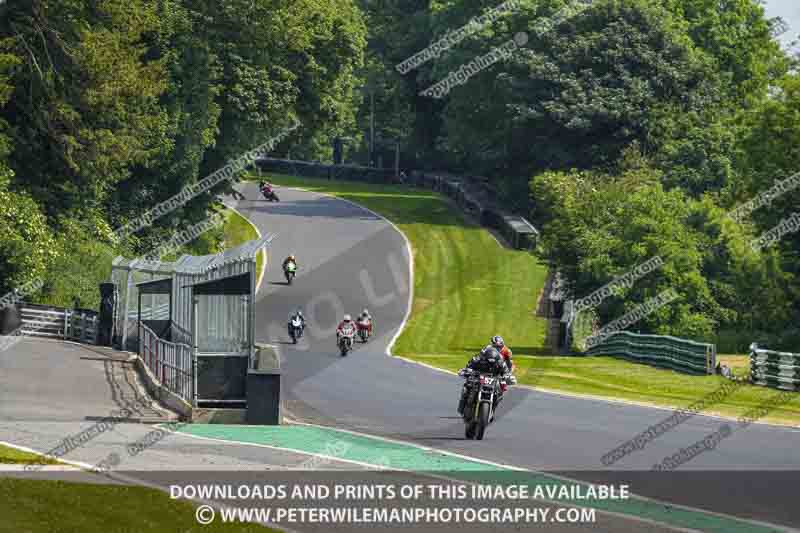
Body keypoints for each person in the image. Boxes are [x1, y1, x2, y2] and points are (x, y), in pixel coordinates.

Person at [457, 346, 509, 416]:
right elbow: (468, 366)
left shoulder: (500, 361)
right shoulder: (478, 358)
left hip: (493, 381)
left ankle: (492, 410)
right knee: (467, 386)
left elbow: (506, 371)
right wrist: (466, 371)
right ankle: (463, 406)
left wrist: (506, 377)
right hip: (478, 378)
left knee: (500, 393)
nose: (490, 364)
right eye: (489, 362)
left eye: (492, 363)